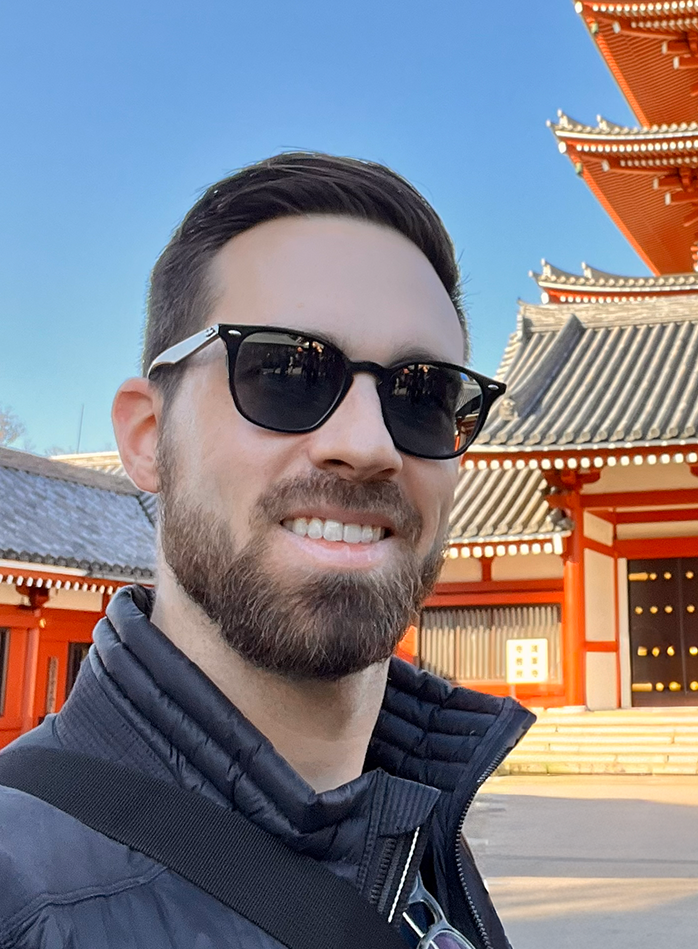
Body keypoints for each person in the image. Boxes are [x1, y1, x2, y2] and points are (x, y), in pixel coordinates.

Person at [0, 153, 534, 948]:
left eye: (421, 395)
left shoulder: (417, 831)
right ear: (149, 439)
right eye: (285, 371)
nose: (366, 444)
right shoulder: (22, 890)